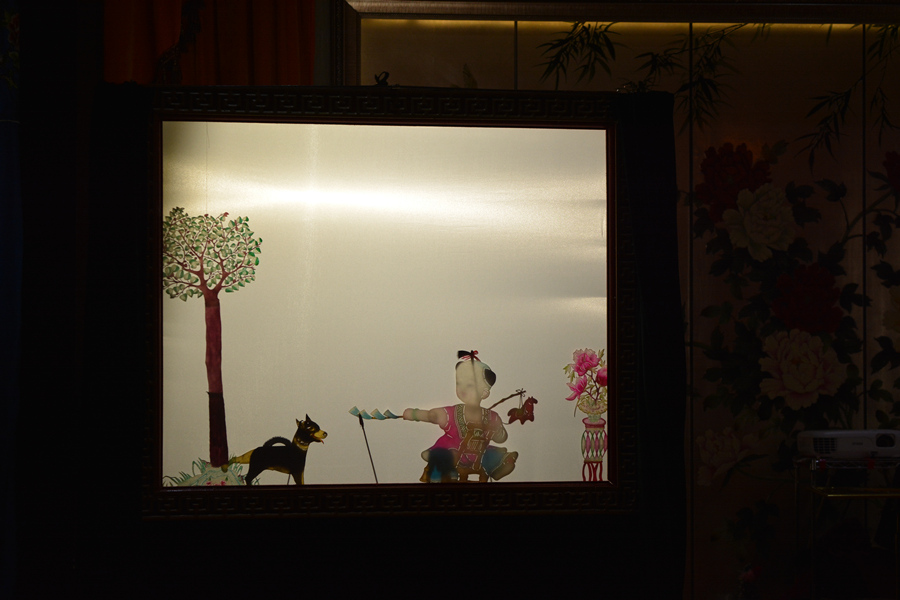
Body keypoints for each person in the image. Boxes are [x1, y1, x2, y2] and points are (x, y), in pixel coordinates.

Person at [403, 350, 518, 482]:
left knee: (493, 454)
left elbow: (501, 437)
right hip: (453, 450)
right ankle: (448, 472)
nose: (462, 388)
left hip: (479, 454)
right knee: (445, 455)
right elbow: (432, 416)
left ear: (485, 393)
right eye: (459, 383)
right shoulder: (453, 413)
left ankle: (498, 467)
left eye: (469, 385)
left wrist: (497, 429)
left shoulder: (491, 416)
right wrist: (415, 414)